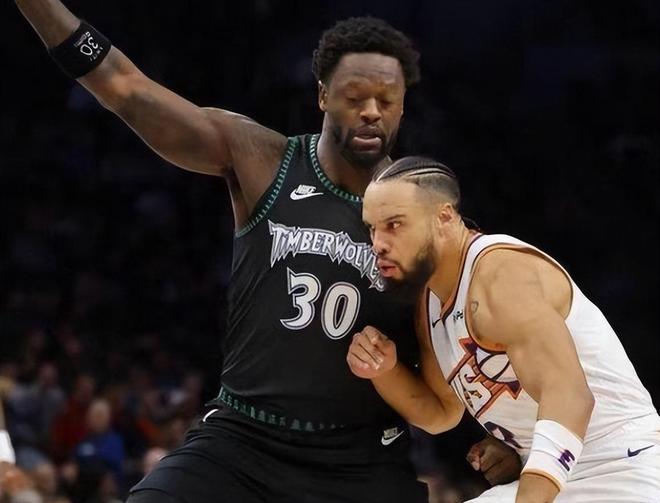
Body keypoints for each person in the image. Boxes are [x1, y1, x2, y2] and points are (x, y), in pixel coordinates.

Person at [14, 2, 519, 501]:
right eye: (354, 96)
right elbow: (124, 87)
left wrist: (518, 441)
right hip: (242, 440)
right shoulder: (265, 160)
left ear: (403, 106)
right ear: (323, 95)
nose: (371, 111)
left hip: (359, 460)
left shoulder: (429, 219)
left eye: (387, 99)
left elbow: (465, 378)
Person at [348, 156, 660, 502]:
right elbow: (442, 413)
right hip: (562, 475)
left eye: (394, 225)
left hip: (621, 466)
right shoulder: (430, 300)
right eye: (372, 228)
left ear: (444, 218)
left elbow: (570, 397)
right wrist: (384, 370)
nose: (378, 243)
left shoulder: (499, 275)